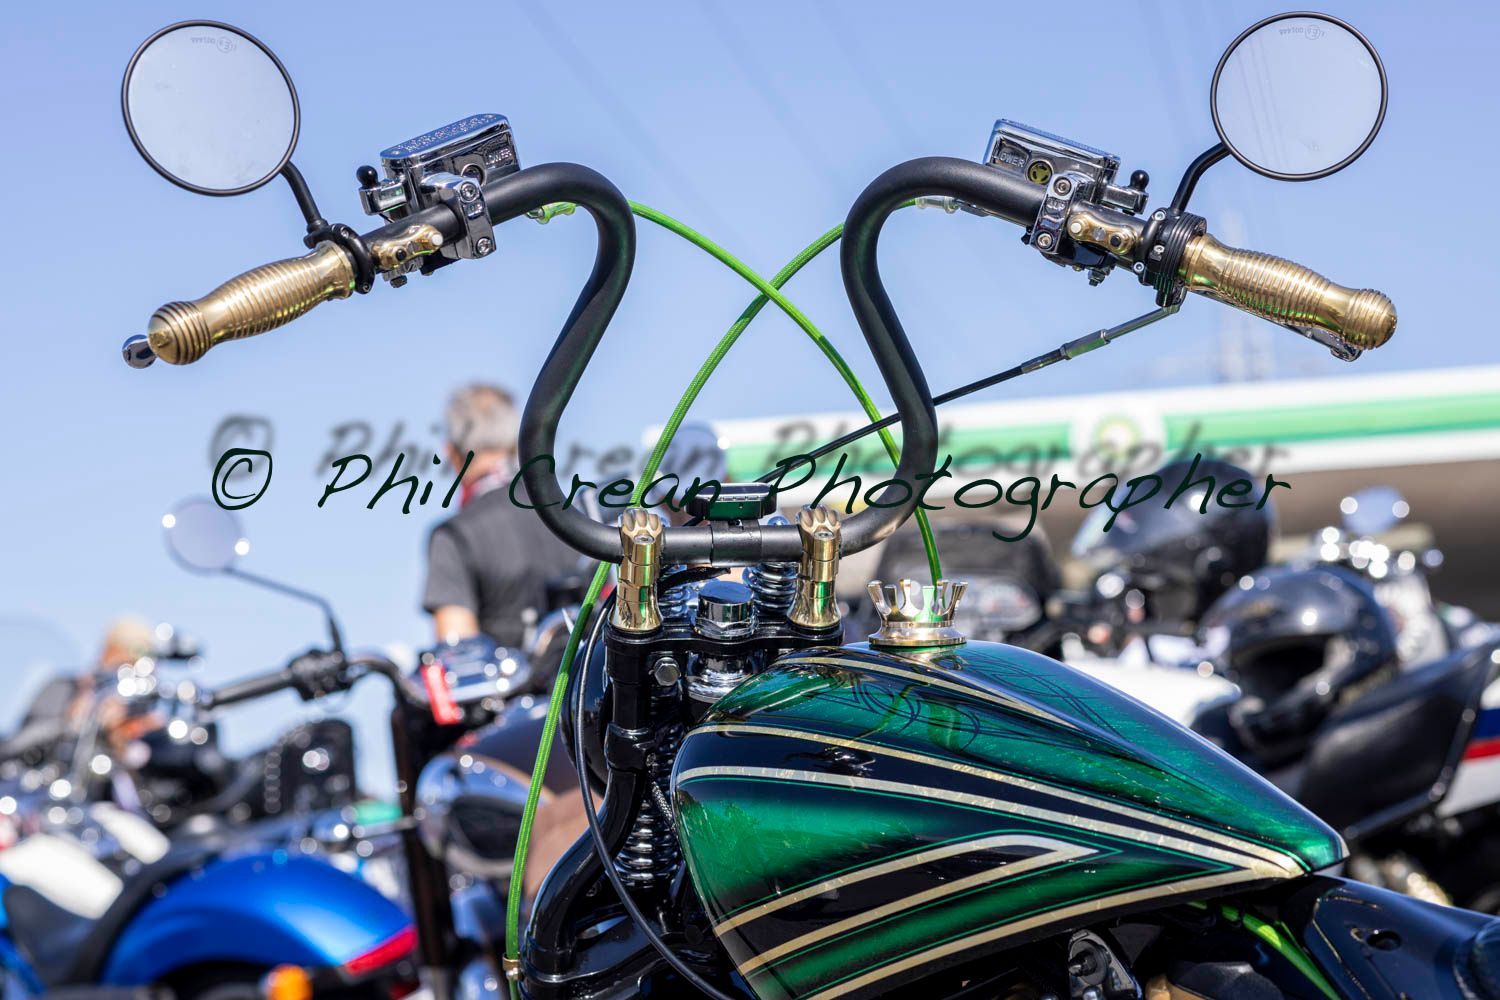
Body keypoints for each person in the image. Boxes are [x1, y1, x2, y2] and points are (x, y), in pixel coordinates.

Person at [422, 383, 579, 647]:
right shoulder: (579, 518)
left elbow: (458, 654)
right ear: (515, 443)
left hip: (512, 686)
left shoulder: (455, 536)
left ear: (452, 453)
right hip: (592, 682)